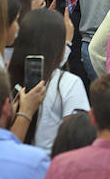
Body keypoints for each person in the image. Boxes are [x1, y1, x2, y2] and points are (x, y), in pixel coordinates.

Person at [10, 9, 89, 153]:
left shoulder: (7, 78)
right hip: (52, 169)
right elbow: (78, 140)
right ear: (58, 46)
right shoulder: (69, 84)